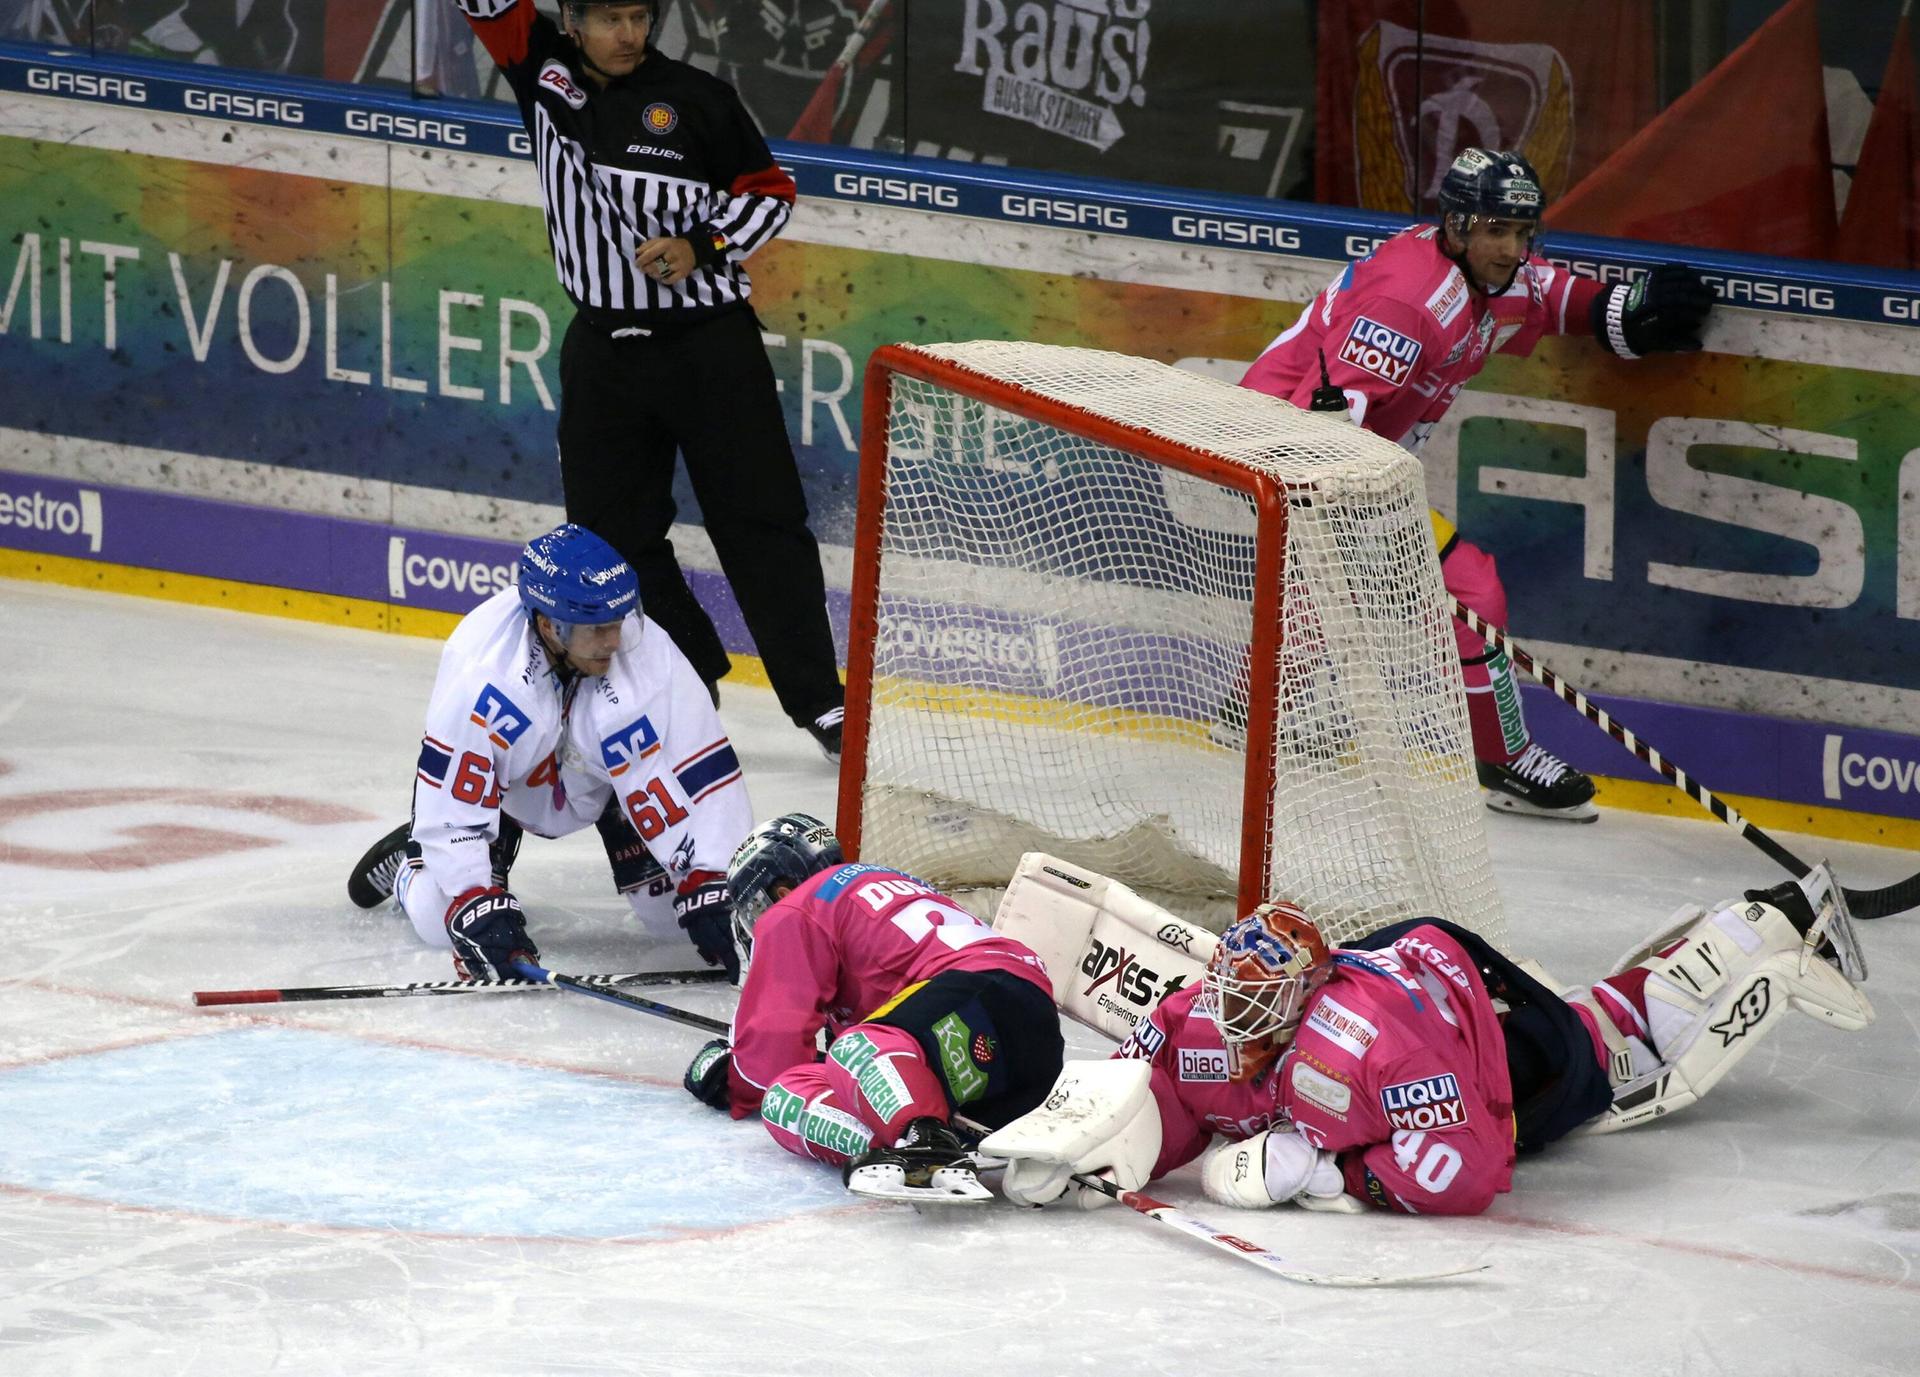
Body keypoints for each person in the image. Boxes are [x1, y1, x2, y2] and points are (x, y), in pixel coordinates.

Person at [1241, 147, 1715, 821]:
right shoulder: (1406, 308)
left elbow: (1550, 295)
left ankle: (1250, 704)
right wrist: (1352, 514)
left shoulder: (1487, 272)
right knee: (1471, 589)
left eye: (1522, 232)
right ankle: (1504, 758)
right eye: (1497, 230)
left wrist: (1622, 311)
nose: (1512, 248)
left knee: (1321, 587)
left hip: (1347, 452)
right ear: (1459, 228)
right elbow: (1321, 436)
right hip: (1291, 449)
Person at [985, 863, 1872, 1216]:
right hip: (1420, 955)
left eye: (1257, 1008)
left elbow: (1473, 1167)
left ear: (1302, 1002)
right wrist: (1105, 1144)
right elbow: (1168, 1078)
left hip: (1484, 1037)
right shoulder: (1217, 1011)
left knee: (1609, 1048)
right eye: (1231, 998)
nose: (1234, 1022)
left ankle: (1763, 924)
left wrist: (1334, 1172)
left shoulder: (1373, 1048)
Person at [450, 0, 847, 760]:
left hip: (710, 348)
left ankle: (820, 702)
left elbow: (770, 192)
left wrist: (706, 243)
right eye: (609, 19)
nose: (628, 35)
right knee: (609, 539)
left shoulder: (697, 97)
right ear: (572, 21)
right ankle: (690, 668)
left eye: (639, 17)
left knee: (762, 524)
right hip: (604, 351)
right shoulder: (542, 70)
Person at [344, 523, 753, 982]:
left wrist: (711, 874)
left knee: (673, 925)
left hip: (608, 783)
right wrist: (471, 894)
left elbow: (703, 771)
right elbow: (455, 798)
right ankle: (409, 864)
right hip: (501, 791)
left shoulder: (649, 655)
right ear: (547, 625)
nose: (614, 641)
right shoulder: (486, 676)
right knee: (443, 923)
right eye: (597, 629)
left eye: (618, 622)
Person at [682, 813, 1065, 1201]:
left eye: (755, 907)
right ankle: (903, 1145)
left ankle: (925, 1142)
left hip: (982, 993)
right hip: (1009, 1038)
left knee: (851, 1052)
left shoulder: (797, 908)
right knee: (787, 1098)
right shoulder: (872, 891)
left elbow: (768, 1053)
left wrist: (731, 1076)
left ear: (781, 889)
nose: (757, 923)